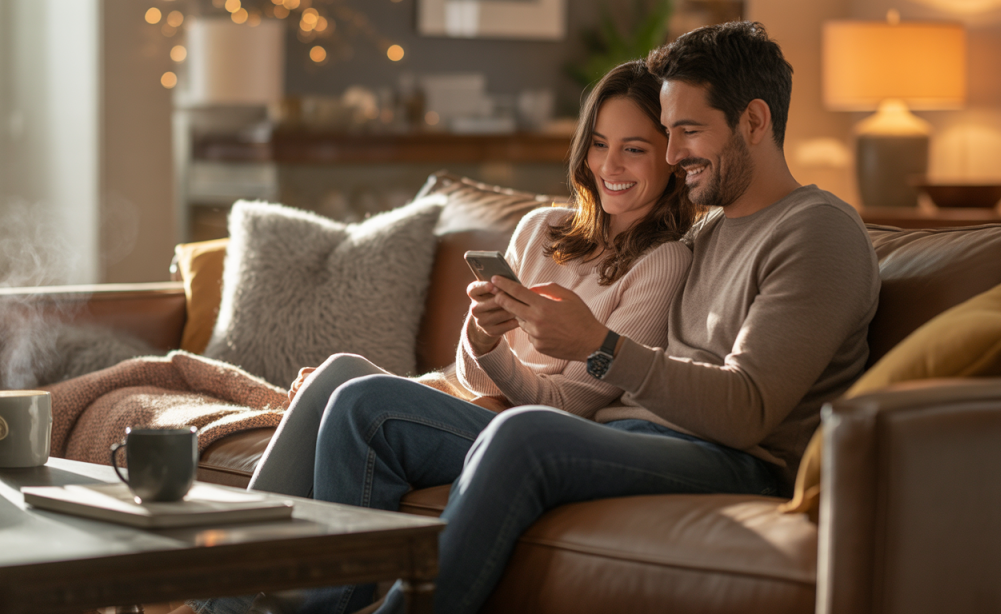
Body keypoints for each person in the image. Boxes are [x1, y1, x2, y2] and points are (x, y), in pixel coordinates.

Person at [186, 21, 879, 614]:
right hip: (627, 435)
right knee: (364, 401)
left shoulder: (818, 233)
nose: (670, 156)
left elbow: (748, 412)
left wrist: (599, 345)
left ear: (754, 122)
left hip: (733, 459)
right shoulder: (705, 232)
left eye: (686, 133)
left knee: (525, 437)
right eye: (664, 135)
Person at [234, 61, 699, 502]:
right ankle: (229, 577)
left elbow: (566, 405)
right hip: (480, 408)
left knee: (357, 399)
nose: (609, 166)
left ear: (673, 158)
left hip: (528, 435)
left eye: (633, 149)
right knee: (338, 371)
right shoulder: (541, 228)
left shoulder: (662, 262)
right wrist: (481, 337)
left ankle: (275, 579)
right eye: (599, 144)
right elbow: (470, 378)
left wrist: (490, 370)